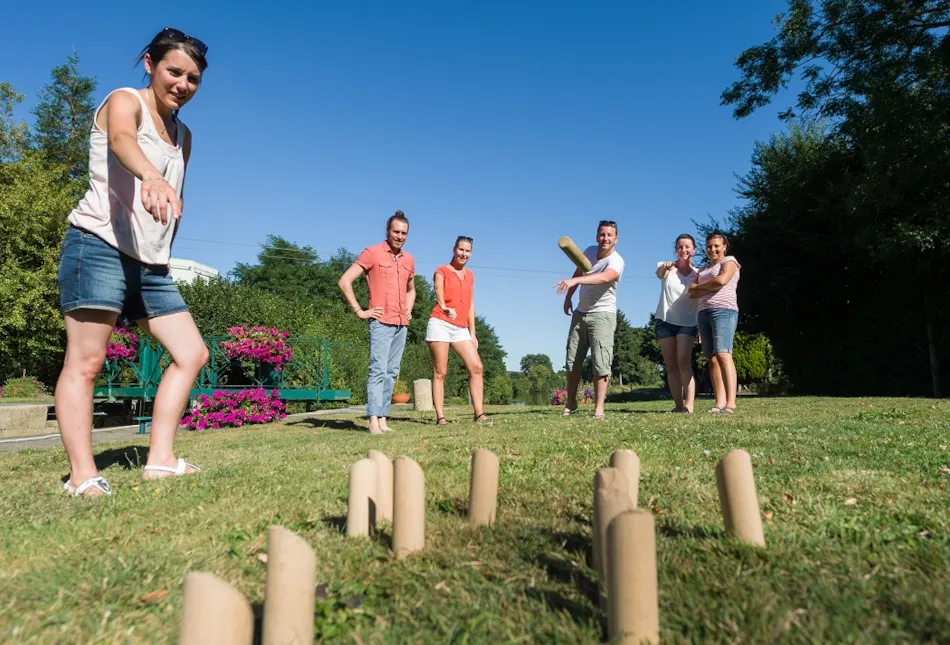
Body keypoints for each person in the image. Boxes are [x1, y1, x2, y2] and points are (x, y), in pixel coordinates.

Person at [55, 28, 210, 497]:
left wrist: (165, 243)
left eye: (193, 78)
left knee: (192, 353)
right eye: (174, 71)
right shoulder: (125, 101)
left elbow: (176, 199)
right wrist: (150, 177)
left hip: (150, 264)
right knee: (86, 361)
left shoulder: (184, 135)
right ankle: (82, 475)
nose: (182, 84)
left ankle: (160, 460)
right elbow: (123, 140)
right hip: (97, 244)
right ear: (150, 64)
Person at [338, 211, 416, 434]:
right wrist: (360, 311)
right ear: (387, 231)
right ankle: (373, 419)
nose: (399, 236)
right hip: (381, 322)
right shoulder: (372, 253)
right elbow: (344, 281)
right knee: (378, 370)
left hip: (401, 324)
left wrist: (408, 310)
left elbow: (412, 290)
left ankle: (383, 417)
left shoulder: (409, 260)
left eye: (404, 233)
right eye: (396, 231)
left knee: (392, 371)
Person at [554, 220, 625, 419]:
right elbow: (579, 270)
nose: (605, 238)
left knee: (601, 362)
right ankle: (571, 402)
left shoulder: (617, 261)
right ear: (597, 236)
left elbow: (603, 278)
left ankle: (599, 408)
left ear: (616, 239)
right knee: (572, 360)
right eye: (602, 234)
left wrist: (575, 281)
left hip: (603, 315)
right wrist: (569, 296)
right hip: (580, 313)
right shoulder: (589, 251)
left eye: (610, 235)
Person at [426, 236, 488, 425]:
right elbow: (438, 290)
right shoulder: (442, 271)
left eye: (468, 251)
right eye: (461, 250)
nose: (464, 254)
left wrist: (473, 332)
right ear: (454, 250)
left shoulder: (470, 276)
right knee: (441, 371)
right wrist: (444, 306)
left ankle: (479, 413)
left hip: (461, 328)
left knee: (476, 367)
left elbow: (470, 304)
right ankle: (440, 416)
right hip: (440, 322)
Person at [689, 232, 741, 413]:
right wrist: (710, 285)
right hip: (703, 312)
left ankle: (731, 403)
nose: (713, 249)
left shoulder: (730, 261)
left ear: (724, 246)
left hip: (723, 311)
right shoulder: (703, 268)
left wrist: (701, 287)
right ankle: (719, 402)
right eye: (709, 246)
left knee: (723, 353)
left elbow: (722, 279)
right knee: (711, 358)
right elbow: (691, 292)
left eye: (717, 246)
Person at [654, 234, 699, 413]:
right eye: (680, 247)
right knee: (671, 366)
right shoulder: (667, 268)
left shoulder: (698, 274)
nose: (683, 250)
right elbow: (659, 275)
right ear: (676, 249)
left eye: (687, 247)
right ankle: (678, 406)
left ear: (694, 250)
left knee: (683, 363)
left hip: (687, 322)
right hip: (664, 321)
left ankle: (689, 405)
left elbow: (702, 298)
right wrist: (664, 268)